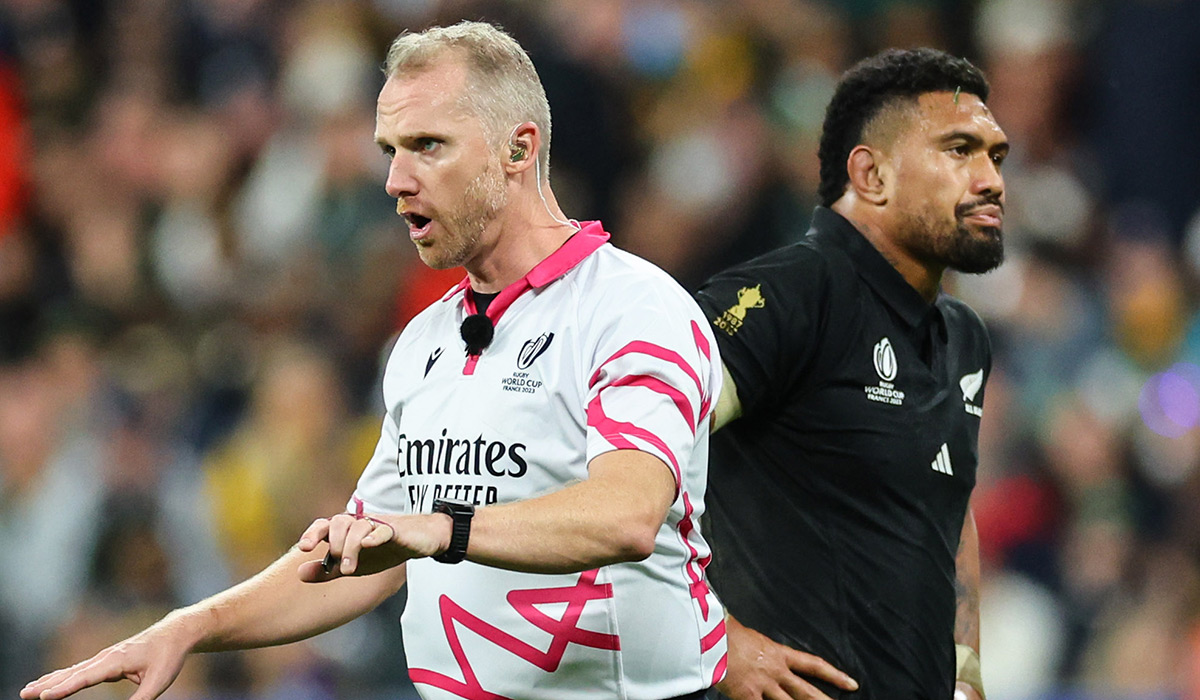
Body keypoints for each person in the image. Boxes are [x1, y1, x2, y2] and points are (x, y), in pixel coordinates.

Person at [23, 21, 726, 700]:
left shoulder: (630, 307)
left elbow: (629, 514)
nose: (394, 179)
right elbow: (364, 563)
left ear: (518, 150)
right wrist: (191, 626)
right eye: (390, 148)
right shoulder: (422, 344)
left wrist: (440, 527)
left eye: (427, 145)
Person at [695, 48, 1007, 700]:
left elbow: (948, 499)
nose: (990, 181)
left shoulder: (964, 339)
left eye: (994, 156)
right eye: (958, 151)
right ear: (871, 175)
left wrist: (967, 667)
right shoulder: (785, 299)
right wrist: (713, 639)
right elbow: (627, 455)